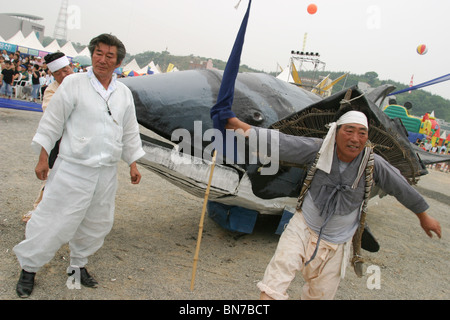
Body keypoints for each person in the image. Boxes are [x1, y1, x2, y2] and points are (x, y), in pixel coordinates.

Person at [225, 104, 441, 300]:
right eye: (349, 131)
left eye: (362, 133)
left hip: (338, 242)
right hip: (303, 228)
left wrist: (424, 216)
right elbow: (282, 143)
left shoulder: (374, 164)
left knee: (319, 296)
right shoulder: (318, 150)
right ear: (336, 132)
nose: (355, 138)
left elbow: (400, 187)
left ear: (367, 137)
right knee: (274, 283)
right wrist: (238, 126)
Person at [13, 33, 146, 298]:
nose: (102, 60)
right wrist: (42, 157)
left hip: (105, 171)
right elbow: (52, 122)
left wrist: (133, 163)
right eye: (98, 53)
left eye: (109, 56)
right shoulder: (73, 83)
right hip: (73, 167)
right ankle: (29, 268)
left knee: (97, 221)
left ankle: (78, 265)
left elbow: (129, 130)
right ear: (92, 54)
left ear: (118, 62)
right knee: (53, 218)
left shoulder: (123, 93)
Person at [22, 52, 74, 223]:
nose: (64, 75)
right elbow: (54, 118)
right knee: (53, 178)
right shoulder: (51, 91)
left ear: (71, 68)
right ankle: (38, 210)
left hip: (82, 142)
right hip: (60, 142)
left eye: (66, 70)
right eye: (58, 73)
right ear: (52, 75)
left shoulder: (83, 82)